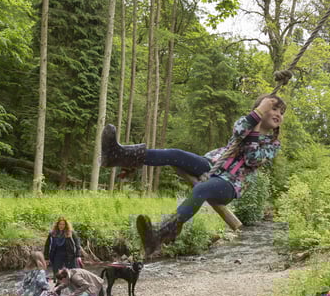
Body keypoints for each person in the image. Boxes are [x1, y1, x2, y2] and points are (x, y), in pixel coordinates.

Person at [101, 94, 286, 256]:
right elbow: (239, 131)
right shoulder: (244, 123)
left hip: (230, 184)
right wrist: (256, 117)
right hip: (212, 165)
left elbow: (252, 158)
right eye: (273, 108)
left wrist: (256, 127)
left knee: (202, 189)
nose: (278, 113)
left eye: (281, 112)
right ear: (260, 109)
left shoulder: (273, 145)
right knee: (175, 154)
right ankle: (119, 155)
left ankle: (159, 235)